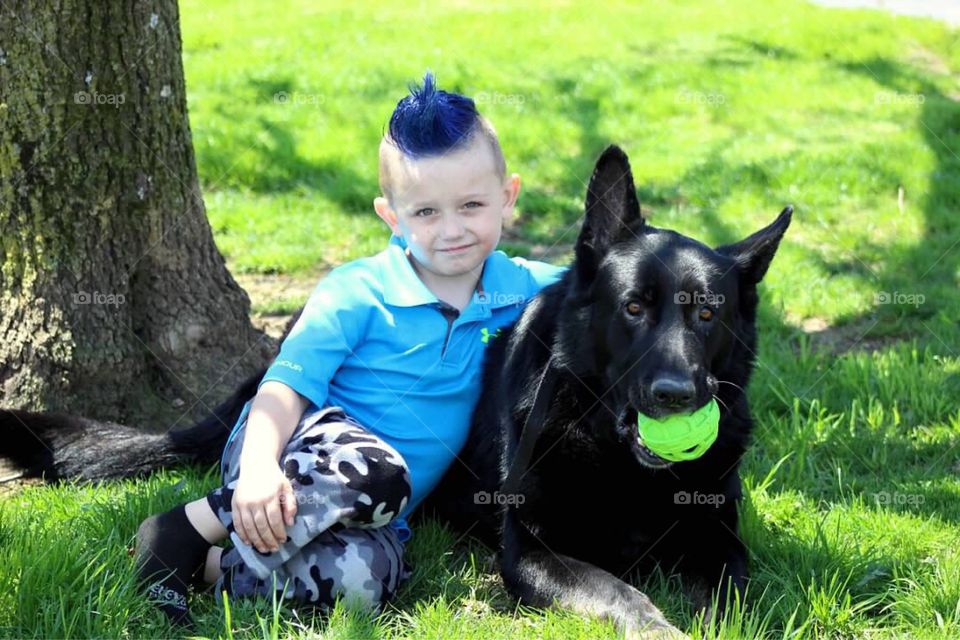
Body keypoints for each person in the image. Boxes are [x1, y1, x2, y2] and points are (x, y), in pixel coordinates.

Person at [133, 72, 566, 627]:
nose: (452, 230)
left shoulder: (521, 287)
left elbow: (604, 284)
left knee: (367, 580)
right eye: (426, 213)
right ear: (391, 216)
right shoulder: (358, 291)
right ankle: (185, 528)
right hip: (292, 451)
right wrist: (261, 469)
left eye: (472, 205)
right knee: (379, 472)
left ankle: (210, 567)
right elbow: (283, 390)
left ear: (508, 198)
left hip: (379, 510)